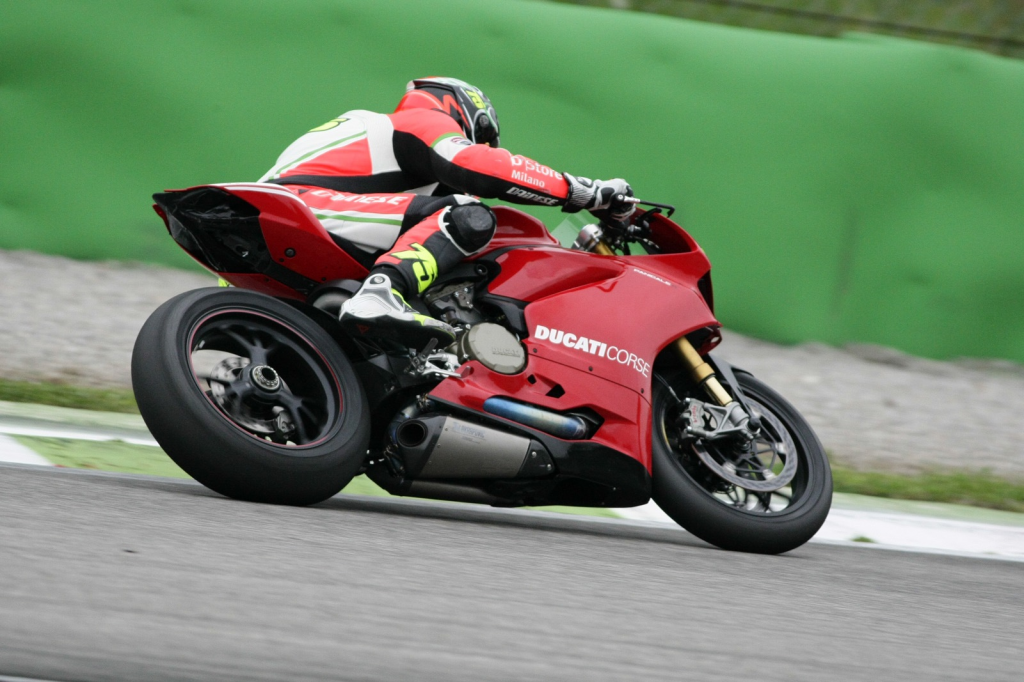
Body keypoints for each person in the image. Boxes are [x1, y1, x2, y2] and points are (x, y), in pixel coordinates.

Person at [259, 77, 634, 347]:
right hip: (302, 204)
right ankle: (381, 291)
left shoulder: (376, 140)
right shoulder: (421, 118)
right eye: (480, 138)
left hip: (280, 220)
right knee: (468, 214)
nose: (478, 144)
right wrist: (586, 193)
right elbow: (478, 166)